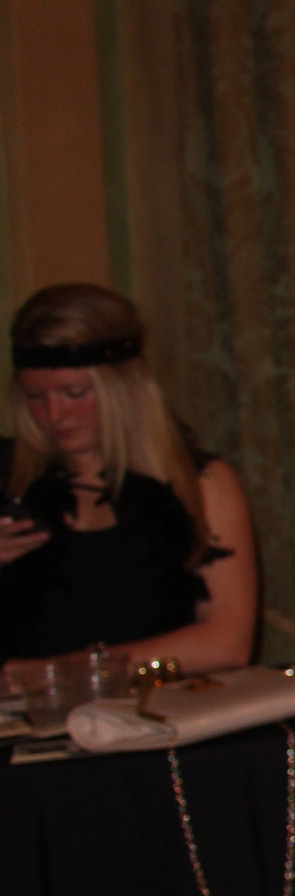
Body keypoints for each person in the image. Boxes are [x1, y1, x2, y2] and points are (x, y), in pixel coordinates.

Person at [0, 283, 256, 671]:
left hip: (156, 704)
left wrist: (61, 674)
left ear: (122, 389)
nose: (54, 414)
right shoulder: (9, 479)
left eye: (74, 393)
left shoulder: (201, 484)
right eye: (35, 396)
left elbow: (226, 643)